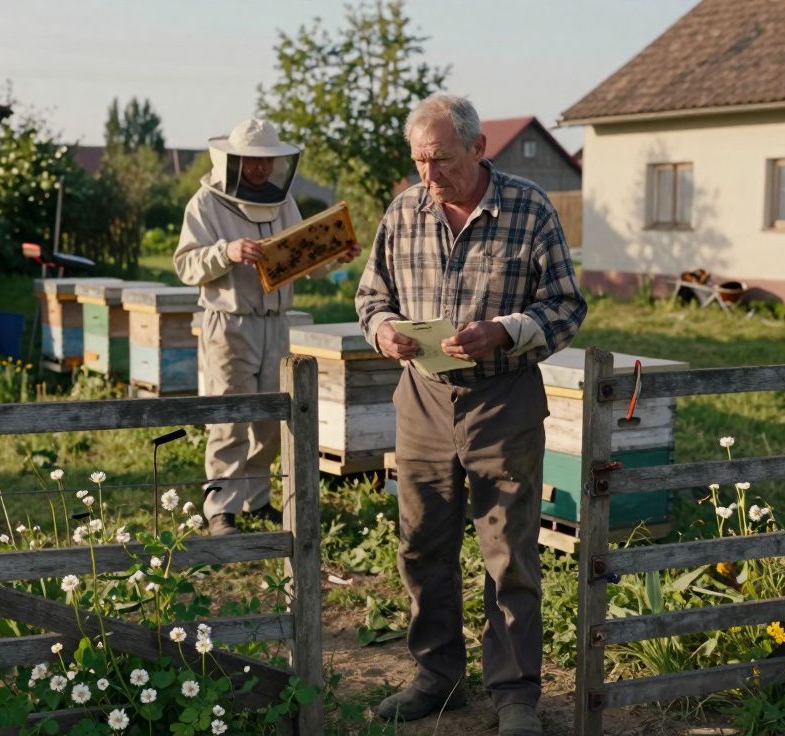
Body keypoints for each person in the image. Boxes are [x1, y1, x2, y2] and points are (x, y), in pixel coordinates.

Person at [355, 94, 587, 736]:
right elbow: (370, 296)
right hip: (423, 399)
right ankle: (438, 676)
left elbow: (567, 306)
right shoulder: (403, 210)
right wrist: (385, 334)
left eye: (442, 160)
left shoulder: (530, 208)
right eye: (420, 161)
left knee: (508, 551)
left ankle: (515, 694)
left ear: (479, 149)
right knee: (422, 542)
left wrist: (507, 332)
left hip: (503, 400)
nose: (430, 175)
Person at [175, 118, 359, 536]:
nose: (260, 171)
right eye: (251, 163)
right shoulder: (204, 204)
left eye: (267, 163)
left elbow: (300, 259)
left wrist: (334, 258)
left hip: (276, 323)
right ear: (232, 161)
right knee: (229, 416)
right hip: (229, 323)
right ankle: (221, 507)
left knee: (271, 419)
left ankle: (256, 501)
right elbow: (185, 265)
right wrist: (226, 251)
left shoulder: (283, 202)